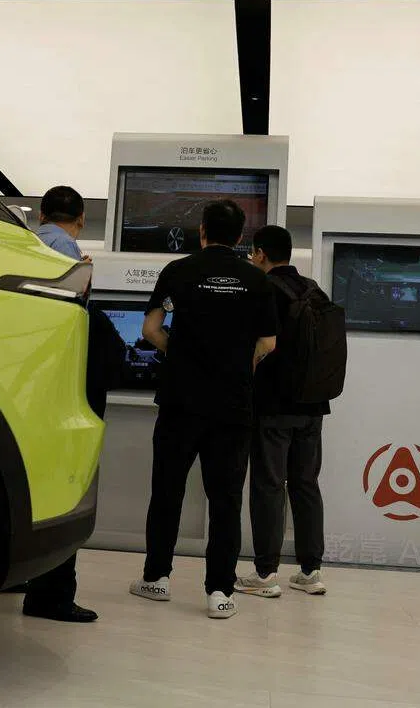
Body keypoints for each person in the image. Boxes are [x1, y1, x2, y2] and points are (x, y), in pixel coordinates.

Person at [129, 201, 277, 619]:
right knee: (226, 498)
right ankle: (220, 592)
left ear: (201, 231)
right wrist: (235, 367)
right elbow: (268, 343)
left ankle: (156, 579)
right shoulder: (256, 279)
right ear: (240, 236)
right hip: (232, 405)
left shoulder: (176, 271)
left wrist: (182, 357)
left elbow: (150, 329)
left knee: (167, 491)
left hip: (180, 400)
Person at [21, 185, 123, 623]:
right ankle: (52, 595)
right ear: (81, 218)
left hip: (23, 390)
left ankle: (19, 573)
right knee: (64, 488)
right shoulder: (71, 260)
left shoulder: (22, 245)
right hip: (62, 393)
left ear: (42, 213)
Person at [236, 225, 330, 597]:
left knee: (269, 486)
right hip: (314, 406)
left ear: (260, 254)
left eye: (252, 254)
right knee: (306, 485)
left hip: (273, 406)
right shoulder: (313, 289)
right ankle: (311, 571)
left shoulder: (265, 290)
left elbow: (256, 345)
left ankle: (265, 574)